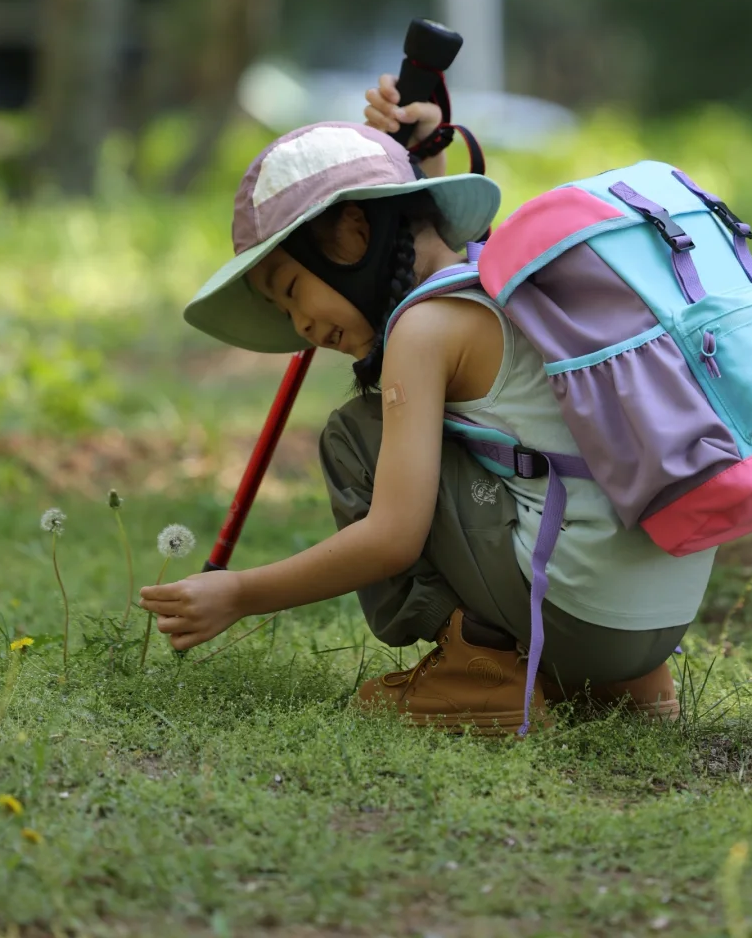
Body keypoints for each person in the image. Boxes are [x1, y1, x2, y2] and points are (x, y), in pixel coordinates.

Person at [139, 79, 717, 734]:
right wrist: (422, 165)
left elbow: (392, 539)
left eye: (294, 290)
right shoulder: (498, 275)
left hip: (584, 618)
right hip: (658, 616)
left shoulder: (424, 330)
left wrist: (242, 593)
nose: (301, 326)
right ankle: (626, 685)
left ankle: (482, 667)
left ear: (355, 232)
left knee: (357, 436)